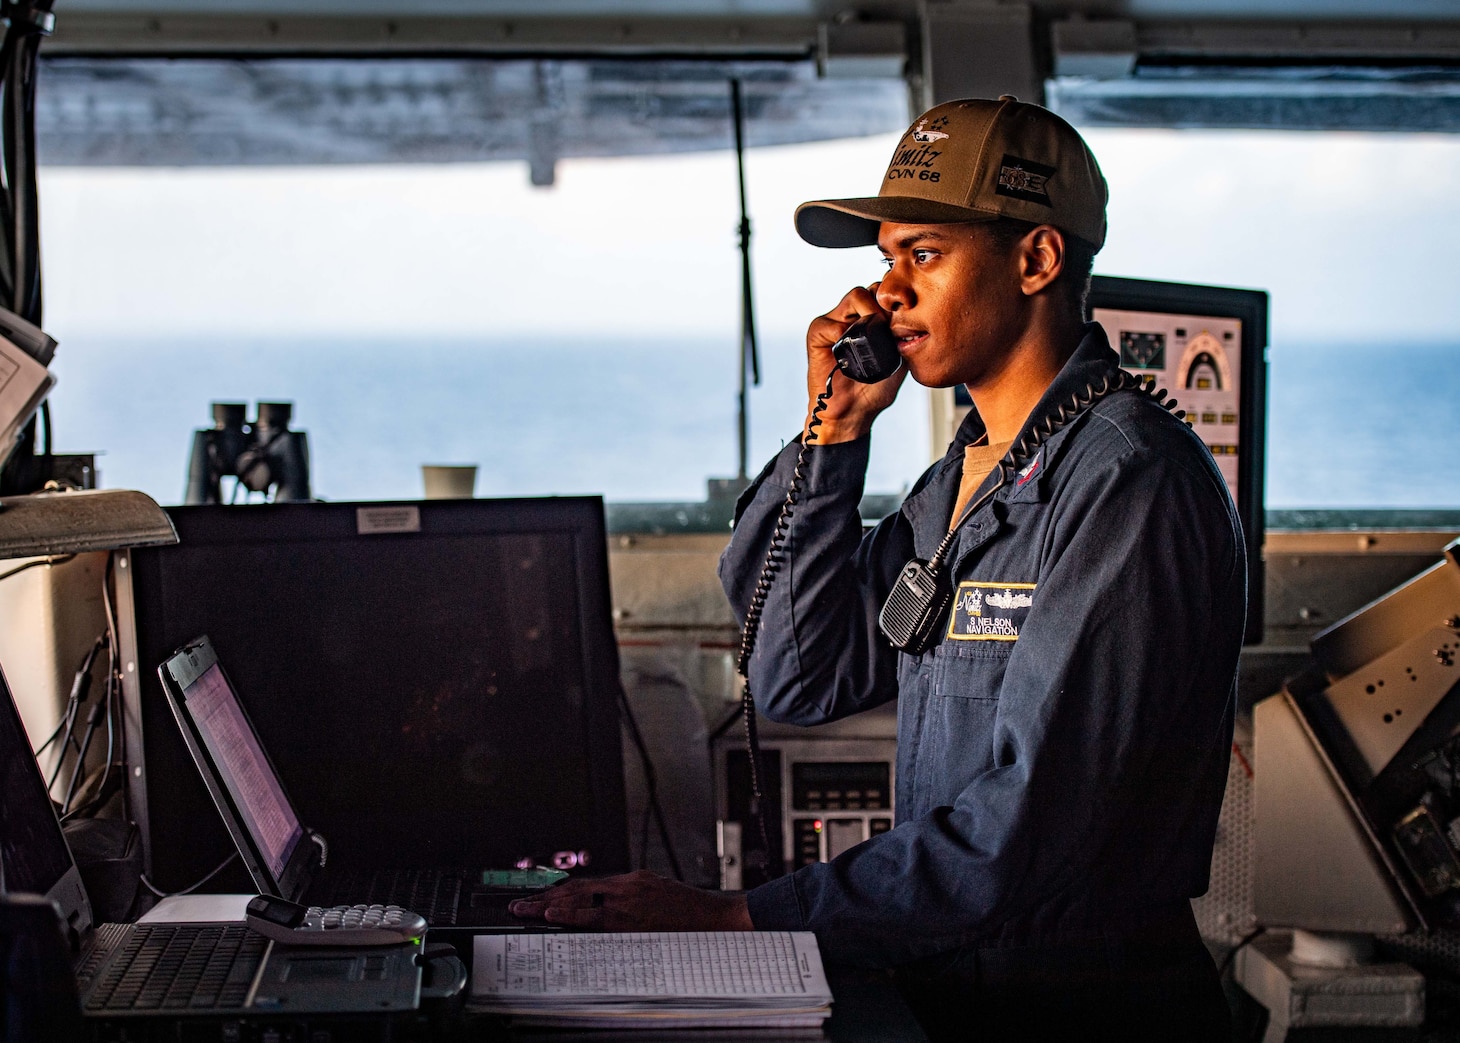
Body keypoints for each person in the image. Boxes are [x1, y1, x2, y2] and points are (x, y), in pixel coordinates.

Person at [511, 96, 1245, 1040]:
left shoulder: (1128, 483)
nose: (887, 291)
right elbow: (797, 674)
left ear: (1036, 259)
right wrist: (837, 431)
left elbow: (1029, 828)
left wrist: (742, 917)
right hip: (951, 988)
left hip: (1080, 1004)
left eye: (923, 255)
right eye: (887, 260)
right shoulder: (966, 479)